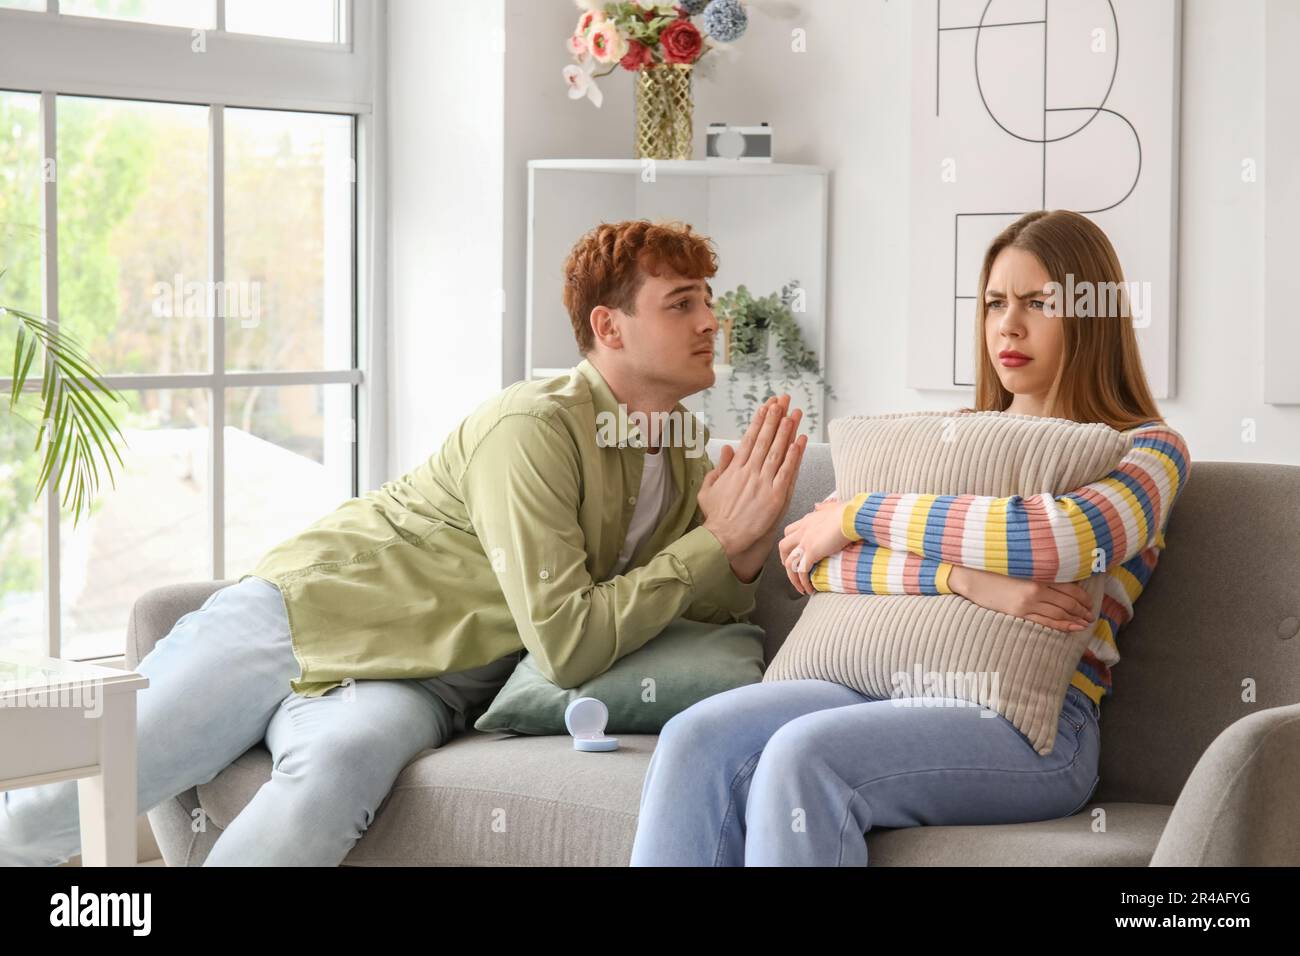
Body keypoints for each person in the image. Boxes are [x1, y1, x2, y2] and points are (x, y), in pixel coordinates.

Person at [0, 219, 805, 867]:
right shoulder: (534, 426)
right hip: (302, 618)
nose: (711, 322)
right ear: (609, 327)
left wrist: (735, 553)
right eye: (681, 304)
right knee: (50, 808)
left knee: (337, 775)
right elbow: (566, 642)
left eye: (710, 301)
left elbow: (678, 605)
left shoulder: (684, 452)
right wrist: (712, 545)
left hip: (423, 684)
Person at [629, 209, 1193, 867]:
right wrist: (965, 579)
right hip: (877, 683)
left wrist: (856, 518)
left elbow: (1056, 540)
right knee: (695, 736)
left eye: (1038, 303)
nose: (1007, 325)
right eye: (994, 303)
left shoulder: (1148, 451)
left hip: (1032, 731)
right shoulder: (951, 435)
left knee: (802, 756)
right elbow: (811, 563)